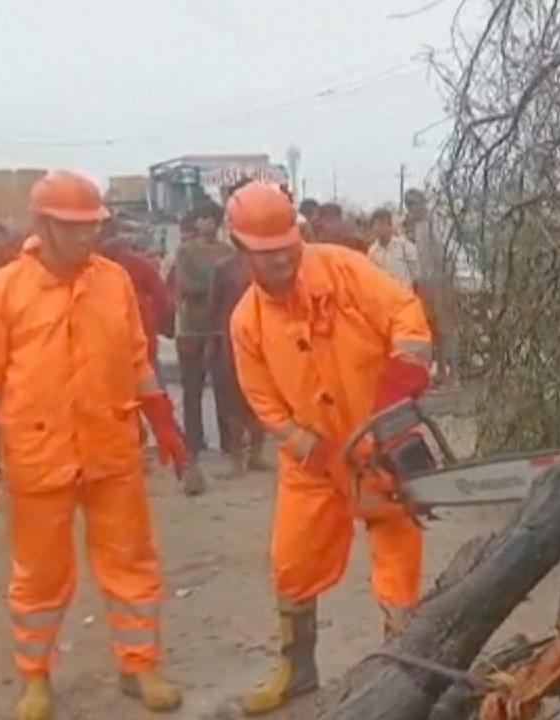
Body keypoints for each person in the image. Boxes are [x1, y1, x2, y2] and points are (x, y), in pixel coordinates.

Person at [0, 170, 190, 720]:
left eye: (93, 227)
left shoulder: (113, 282)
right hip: (39, 455)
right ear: (44, 227)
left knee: (131, 561)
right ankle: (35, 678)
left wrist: (163, 420)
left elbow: (136, 360)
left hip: (111, 447)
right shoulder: (1, 292)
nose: (88, 238)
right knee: (39, 575)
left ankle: (140, 664)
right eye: (76, 228)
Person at [225, 182, 431, 715]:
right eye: (266, 255)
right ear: (243, 251)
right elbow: (264, 402)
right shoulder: (247, 321)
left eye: (287, 249)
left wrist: (397, 390)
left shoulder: (344, 269)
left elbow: (405, 316)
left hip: (379, 443)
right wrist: (309, 449)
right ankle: (297, 669)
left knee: (398, 564)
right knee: (291, 562)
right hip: (312, 463)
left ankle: (403, 666)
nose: (280, 262)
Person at [172, 201, 234, 456]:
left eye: (211, 218)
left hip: (220, 327)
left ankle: (229, 442)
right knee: (192, 388)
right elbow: (187, 286)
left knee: (225, 387)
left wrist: (214, 289)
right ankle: (194, 442)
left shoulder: (227, 250)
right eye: (202, 218)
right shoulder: (185, 251)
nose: (206, 223)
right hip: (191, 328)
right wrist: (216, 288)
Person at [207, 249, 266, 476]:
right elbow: (213, 308)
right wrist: (213, 341)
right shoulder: (223, 268)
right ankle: (236, 461)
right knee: (232, 402)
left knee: (261, 399)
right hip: (230, 340)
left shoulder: (263, 265)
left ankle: (256, 456)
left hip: (261, 337)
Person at [99, 218, 173, 378]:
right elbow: (162, 301)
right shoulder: (138, 264)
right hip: (138, 350)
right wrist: (165, 326)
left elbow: (162, 301)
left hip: (111, 354)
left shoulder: (79, 269)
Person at [404, 188, 460, 386]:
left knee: (447, 328)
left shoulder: (435, 223)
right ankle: (442, 371)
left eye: (415, 204)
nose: (412, 209)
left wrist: (446, 280)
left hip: (441, 280)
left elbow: (447, 253)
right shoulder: (414, 228)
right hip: (425, 282)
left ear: (423, 203)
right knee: (433, 330)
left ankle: (454, 374)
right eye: (409, 205)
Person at [366, 208, 419, 289]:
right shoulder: (372, 252)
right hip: (385, 297)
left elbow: (415, 273)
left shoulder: (404, 246)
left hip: (404, 295)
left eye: (382, 224)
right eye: (376, 225)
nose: (379, 229)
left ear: (390, 226)